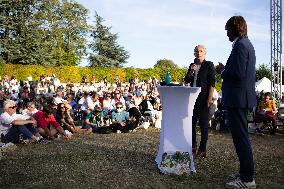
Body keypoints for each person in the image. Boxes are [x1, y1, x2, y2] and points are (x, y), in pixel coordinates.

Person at [221, 16, 256, 188]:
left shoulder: (241, 45)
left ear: (235, 28)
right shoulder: (245, 44)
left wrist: (222, 71)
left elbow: (237, 73)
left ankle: (247, 179)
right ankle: (244, 173)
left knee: (241, 139)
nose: (226, 32)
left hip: (238, 99)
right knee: (241, 138)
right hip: (240, 99)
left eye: (228, 29)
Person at [184, 45, 216, 158]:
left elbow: (212, 83)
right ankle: (192, 146)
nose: (199, 53)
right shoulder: (192, 65)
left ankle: (202, 149)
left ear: (205, 53)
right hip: (192, 98)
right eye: (197, 51)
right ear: (194, 53)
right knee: (191, 123)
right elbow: (187, 80)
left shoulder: (209, 65)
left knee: (203, 125)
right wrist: (191, 72)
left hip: (203, 98)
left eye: (201, 51)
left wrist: (209, 98)